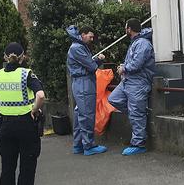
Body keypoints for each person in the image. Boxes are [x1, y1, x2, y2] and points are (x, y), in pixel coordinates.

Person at [0, 42, 45, 185]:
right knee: (27, 169)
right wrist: (34, 109)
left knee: (7, 169)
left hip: (5, 126)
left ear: (5, 57)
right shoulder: (27, 74)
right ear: (22, 57)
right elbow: (41, 95)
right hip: (27, 126)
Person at [108, 18, 156, 156]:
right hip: (128, 81)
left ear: (129, 29)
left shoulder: (143, 43)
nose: (125, 30)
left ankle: (139, 143)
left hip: (138, 82)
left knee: (136, 112)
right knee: (113, 98)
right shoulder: (136, 42)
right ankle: (138, 115)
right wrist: (124, 67)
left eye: (125, 27)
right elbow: (132, 62)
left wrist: (124, 68)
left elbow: (136, 64)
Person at [66, 25, 108, 156]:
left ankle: (78, 145)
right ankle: (88, 146)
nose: (92, 38)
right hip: (84, 83)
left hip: (80, 82)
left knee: (80, 114)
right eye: (90, 36)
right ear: (83, 34)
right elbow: (91, 66)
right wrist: (99, 59)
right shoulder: (78, 48)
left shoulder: (77, 46)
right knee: (87, 114)